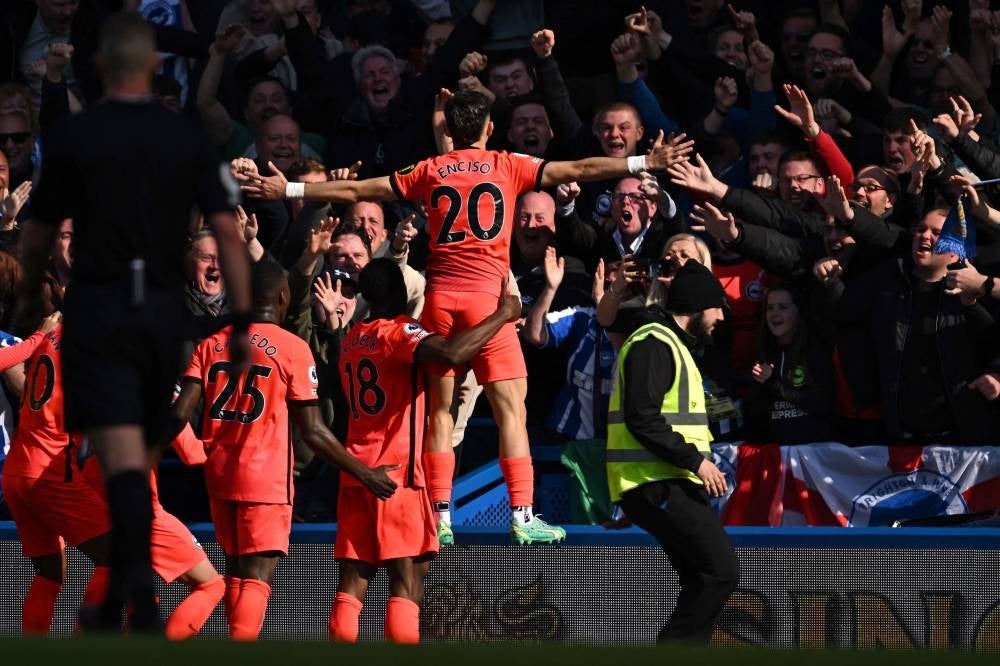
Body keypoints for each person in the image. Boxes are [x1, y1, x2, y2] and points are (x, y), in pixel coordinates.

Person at [236, 88, 693, 545]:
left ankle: (439, 516)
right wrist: (642, 164)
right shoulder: (508, 164)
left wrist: (290, 188)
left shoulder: (431, 169)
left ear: (449, 131)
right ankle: (523, 514)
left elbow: (359, 188)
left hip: (440, 301)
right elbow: (579, 168)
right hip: (486, 300)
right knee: (511, 412)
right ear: (490, 128)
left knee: (439, 413)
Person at [19, 13, 252, 632]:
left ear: (101, 70)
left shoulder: (79, 139)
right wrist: (245, 319)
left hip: (94, 310)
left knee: (116, 459)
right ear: (154, 69)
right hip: (155, 312)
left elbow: (40, 227)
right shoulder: (186, 139)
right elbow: (227, 231)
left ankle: (121, 608)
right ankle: (137, 612)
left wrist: (26, 301)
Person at [171, 258, 396, 640]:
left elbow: (178, 414)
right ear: (284, 296)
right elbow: (313, 431)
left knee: (237, 573)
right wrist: (363, 471)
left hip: (219, 476)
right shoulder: (292, 349)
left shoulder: (211, 343)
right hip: (265, 479)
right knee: (257, 577)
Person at [331, 258, 520, 643]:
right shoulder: (400, 333)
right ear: (400, 293)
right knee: (407, 582)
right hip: (397, 476)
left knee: (352, 586)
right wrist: (503, 314)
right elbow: (450, 353)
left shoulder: (351, 339)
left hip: (356, 472)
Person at [606, 260, 739, 643]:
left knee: (702, 578)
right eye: (717, 309)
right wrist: (697, 462)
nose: (721, 318)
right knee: (721, 571)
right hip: (655, 482)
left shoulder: (671, 344)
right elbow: (642, 418)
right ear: (698, 307)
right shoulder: (654, 343)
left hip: (663, 481)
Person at [0, 314, 114, 636]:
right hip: (48, 470)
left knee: (50, 573)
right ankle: (83, 650)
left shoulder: (52, 333)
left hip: (17, 470)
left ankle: (30, 654)